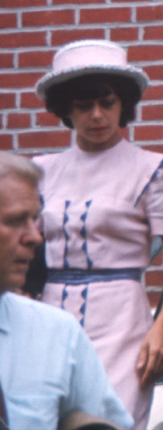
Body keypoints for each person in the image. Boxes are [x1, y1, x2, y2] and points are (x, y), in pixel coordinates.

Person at [33, 39, 163, 430]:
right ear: (67, 109)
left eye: (108, 103)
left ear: (124, 106)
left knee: (112, 421)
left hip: (124, 322)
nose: (98, 115)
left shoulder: (152, 169)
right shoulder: (42, 170)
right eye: (84, 106)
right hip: (52, 315)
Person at [0, 151, 134, 430]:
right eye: (14, 221)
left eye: (34, 218)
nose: (35, 236)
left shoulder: (56, 333)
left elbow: (106, 423)